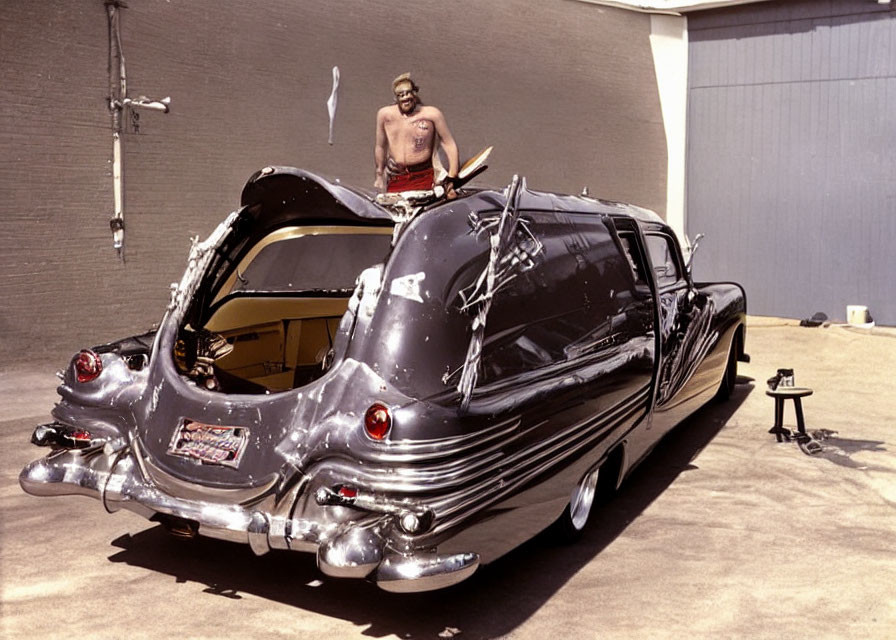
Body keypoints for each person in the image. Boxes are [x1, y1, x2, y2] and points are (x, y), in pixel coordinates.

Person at [374, 73, 459, 195]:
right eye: (401, 95)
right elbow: (380, 146)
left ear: (415, 94)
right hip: (396, 177)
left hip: (423, 176)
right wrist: (379, 174)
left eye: (408, 93)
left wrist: (452, 175)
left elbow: (448, 143)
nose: (405, 98)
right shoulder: (385, 115)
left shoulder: (431, 114)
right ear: (396, 97)